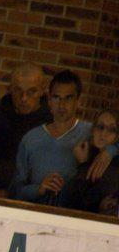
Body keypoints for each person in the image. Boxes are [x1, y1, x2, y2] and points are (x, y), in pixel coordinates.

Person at [10, 70, 92, 205]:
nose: (61, 105)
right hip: (36, 213)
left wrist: (110, 150)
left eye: (68, 98)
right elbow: (15, 191)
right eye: (56, 97)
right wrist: (39, 189)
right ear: (49, 100)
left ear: (78, 101)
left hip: (77, 215)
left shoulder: (90, 133)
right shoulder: (31, 139)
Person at [62, 109, 119, 213]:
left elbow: (79, 204)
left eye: (112, 129)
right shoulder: (90, 154)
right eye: (100, 127)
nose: (103, 133)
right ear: (93, 129)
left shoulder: (113, 167)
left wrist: (83, 165)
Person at [1, 62, 53, 158]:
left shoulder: (53, 124)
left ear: (42, 90)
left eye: (31, 91)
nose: (24, 98)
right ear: (10, 89)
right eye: (18, 90)